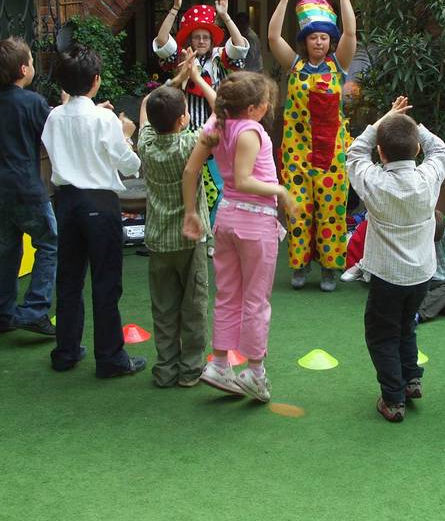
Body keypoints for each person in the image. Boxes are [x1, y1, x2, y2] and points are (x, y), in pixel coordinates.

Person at [182, 71, 295, 402]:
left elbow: (191, 171)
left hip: (227, 220)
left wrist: (191, 211)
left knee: (228, 295)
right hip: (255, 223)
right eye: (265, 103)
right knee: (256, 300)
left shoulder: (216, 125)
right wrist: (280, 190)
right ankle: (255, 373)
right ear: (256, 108)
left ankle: (219, 363)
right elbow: (245, 180)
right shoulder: (250, 131)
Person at [42, 46, 146, 378]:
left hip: (67, 201)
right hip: (100, 203)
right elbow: (129, 165)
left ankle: (67, 350)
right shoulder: (104, 119)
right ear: (96, 80)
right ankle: (110, 357)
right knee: (105, 282)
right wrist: (128, 136)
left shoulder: (55, 115)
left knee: (69, 279)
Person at [346, 96, 445, 423]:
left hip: (387, 277)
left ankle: (393, 397)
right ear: (417, 149)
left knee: (381, 334)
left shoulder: (374, 180)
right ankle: (411, 379)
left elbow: (354, 152)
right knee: (406, 326)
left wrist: (384, 120)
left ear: (380, 152)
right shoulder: (427, 178)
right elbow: (441, 151)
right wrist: (414, 126)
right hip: (421, 274)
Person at [268, 0, 358, 292]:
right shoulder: (293, 65)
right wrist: (284, 0)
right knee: (299, 211)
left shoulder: (339, 65)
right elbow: (273, 38)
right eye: (313, 37)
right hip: (296, 152)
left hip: (333, 153)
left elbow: (350, 35)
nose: (319, 42)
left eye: (324, 37)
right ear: (304, 41)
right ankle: (300, 265)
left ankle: (331, 268)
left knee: (332, 212)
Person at [154, 0, 250, 250]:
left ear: (211, 39)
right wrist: (174, 8)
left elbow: (240, 47)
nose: (201, 41)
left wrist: (226, 16)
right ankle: (194, 229)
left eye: (205, 36)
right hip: (186, 133)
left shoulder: (220, 59)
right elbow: (162, 41)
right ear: (190, 40)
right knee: (190, 183)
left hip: (216, 132)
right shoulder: (180, 60)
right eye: (196, 37)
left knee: (220, 187)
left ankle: (212, 233)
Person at [139, 50, 213, 388]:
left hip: (158, 240)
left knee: (164, 306)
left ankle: (165, 368)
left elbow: (146, 104)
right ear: (184, 119)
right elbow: (223, 117)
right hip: (189, 238)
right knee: (194, 305)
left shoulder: (147, 143)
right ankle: (191, 369)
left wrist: (175, 81)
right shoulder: (190, 145)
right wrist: (194, 77)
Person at [0, 37, 57, 337]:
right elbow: (54, 132)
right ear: (24, 69)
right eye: (33, 62)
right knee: (48, 243)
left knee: (8, 247)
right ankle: (35, 310)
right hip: (26, 188)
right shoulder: (33, 102)